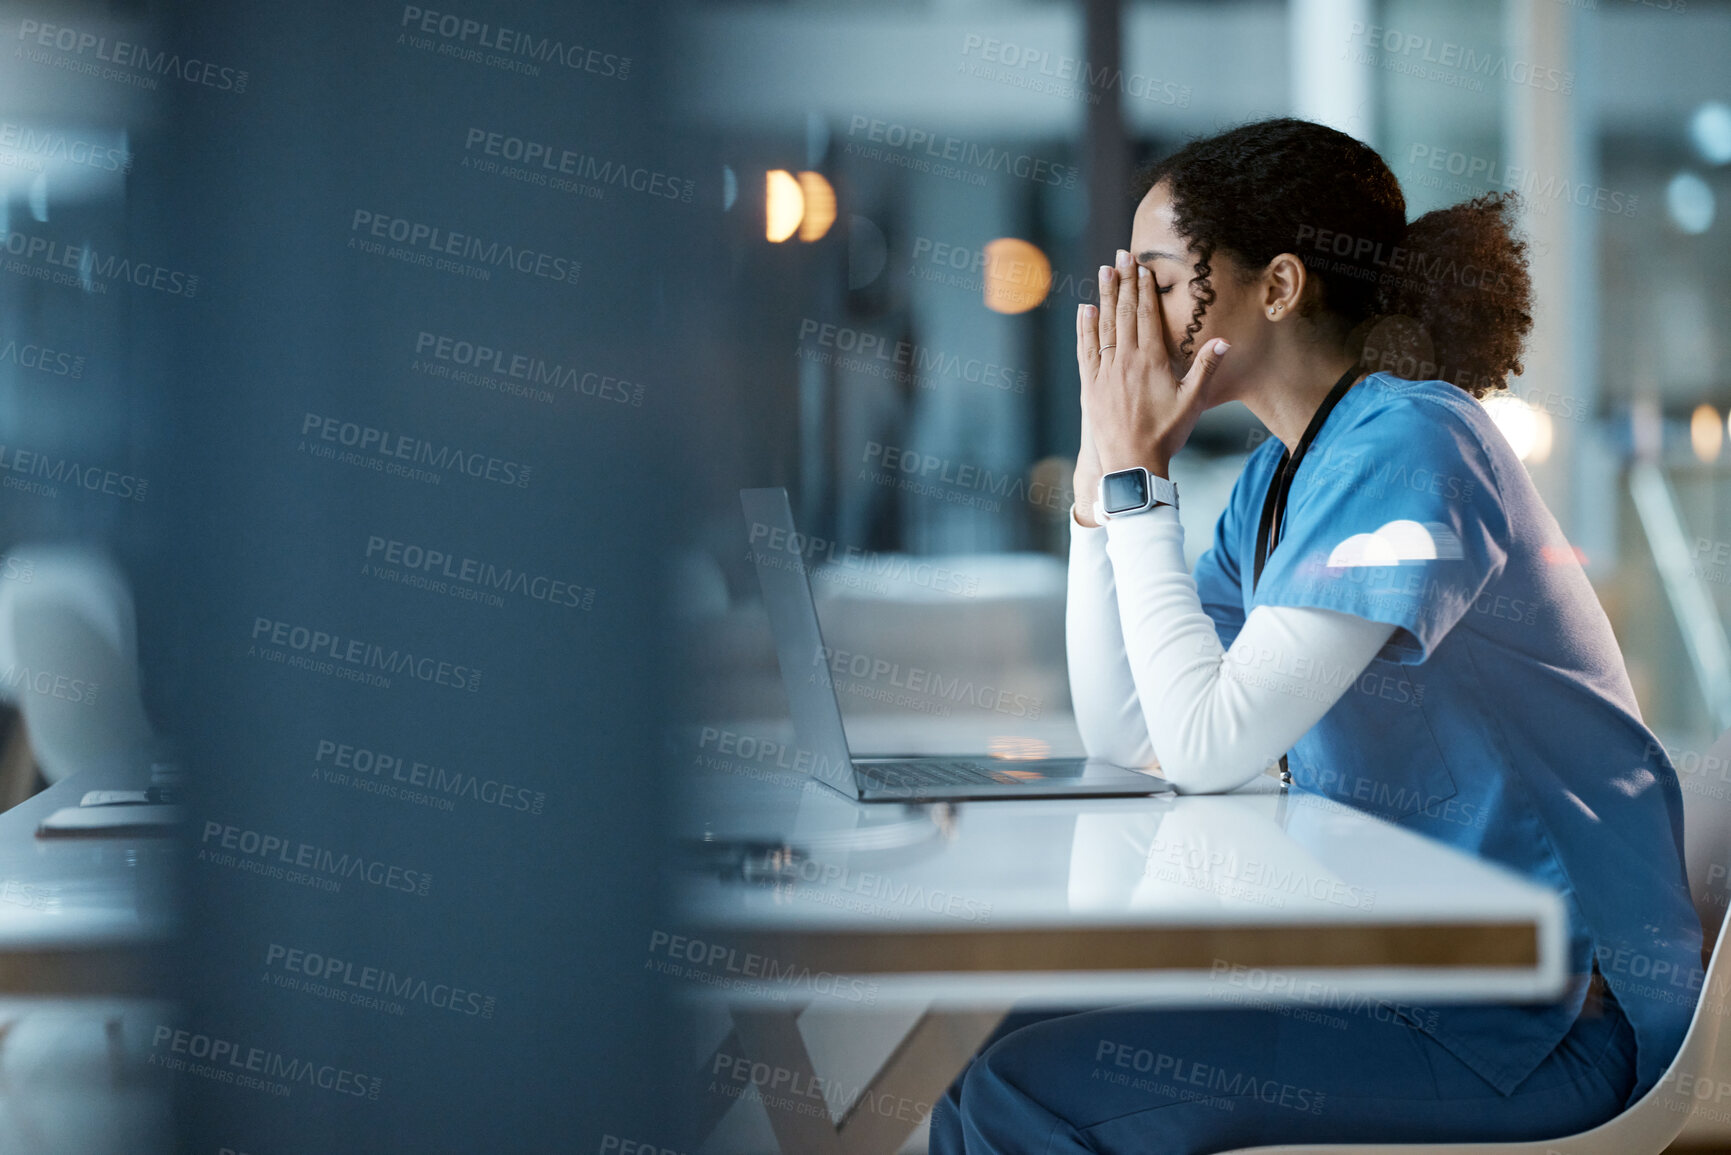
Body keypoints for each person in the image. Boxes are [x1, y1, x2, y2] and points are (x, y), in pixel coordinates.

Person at [929, 117, 1704, 1154]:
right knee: (1001, 1046)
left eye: (1158, 281)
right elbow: (1130, 736)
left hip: (1539, 1022)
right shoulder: (1275, 481)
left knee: (1029, 1090)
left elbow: (1206, 748)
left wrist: (1139, 480)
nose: (1130, 320)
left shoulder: (1417, 444)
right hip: (1399, 976)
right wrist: (1095, 487)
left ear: (1279, 287)